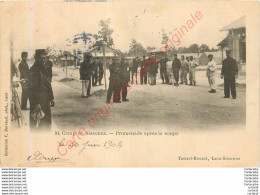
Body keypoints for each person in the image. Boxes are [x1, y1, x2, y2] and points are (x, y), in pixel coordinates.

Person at [30, 49, 54, 130]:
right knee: (37, 126)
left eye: (44, 58)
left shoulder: (44, 69)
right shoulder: (33, 70)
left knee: (46, 124)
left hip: (46, 100)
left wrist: (51, 98)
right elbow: (32, 89)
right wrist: (36, 103)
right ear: (36, 58)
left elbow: (48, 85)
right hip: (38, 102)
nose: (43, 60)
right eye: (41, 58)